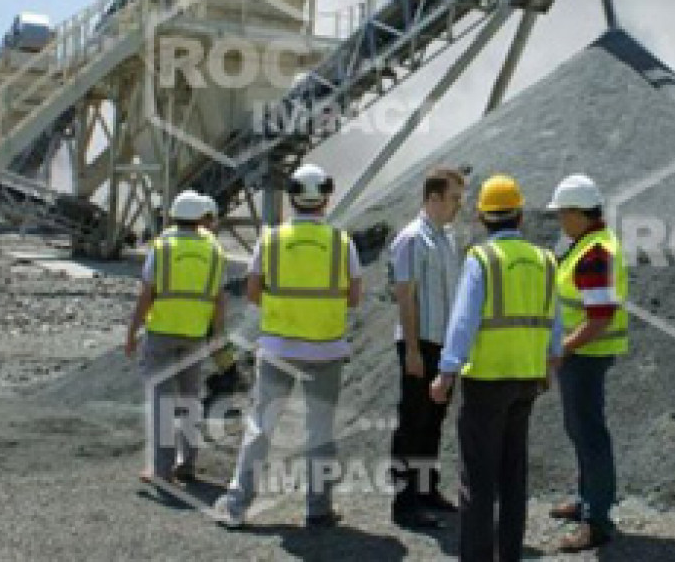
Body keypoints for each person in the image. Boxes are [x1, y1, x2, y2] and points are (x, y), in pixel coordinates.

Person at [214, 164, 363, 530]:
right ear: (326, 196)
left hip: (279, 348)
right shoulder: (341, 242)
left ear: (292, 197)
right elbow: (355, 297)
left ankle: (236, 506)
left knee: (261, 426)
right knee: (320, 430)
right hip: (326, 350)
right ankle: (317, 509)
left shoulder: (271, 239)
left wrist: (284, 308)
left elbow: (251, 290)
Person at [430, 175, 562, 562]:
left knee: (479, 478)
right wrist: (550, 364)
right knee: (513, 474)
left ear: (484, 219)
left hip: (486, 379)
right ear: (519, 216)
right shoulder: (545, 260)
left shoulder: (482, 259)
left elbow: (464, 320)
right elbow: (556, 321)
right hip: (527, 379)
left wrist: (447, 372)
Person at [546, 174, 629, 552]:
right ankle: (586, 500)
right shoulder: (592, 243)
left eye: (563, 213)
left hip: (586, 355)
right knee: (580, 429)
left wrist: (563, 348)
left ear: (580, 213)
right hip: (584, 354)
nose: (560, 221)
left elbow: (600, 316)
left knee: (589, 433)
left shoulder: (594, 253)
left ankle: (597, 521)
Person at [125, 190, 226, 485]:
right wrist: (217, 335)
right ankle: (188, 463)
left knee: (161, 402)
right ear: (200, 219)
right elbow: (219, 299)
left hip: (162, 332)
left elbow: (147, 294)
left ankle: (161, 470)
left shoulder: (163, 247)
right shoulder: (214, 251)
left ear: (173, 216)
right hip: (195, 333)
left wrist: (132, 331)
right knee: (190, 399)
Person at [389, 167, 466, 529]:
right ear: (433, 198)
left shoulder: (447, 240)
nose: (458, 206)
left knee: (434, 419)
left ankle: (426, 490)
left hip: (444, 345)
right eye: (453, 198)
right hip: (420, 343)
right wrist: (414, 350)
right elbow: (406, 296)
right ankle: (404, 503)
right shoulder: (412, 239)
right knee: (413, 421)